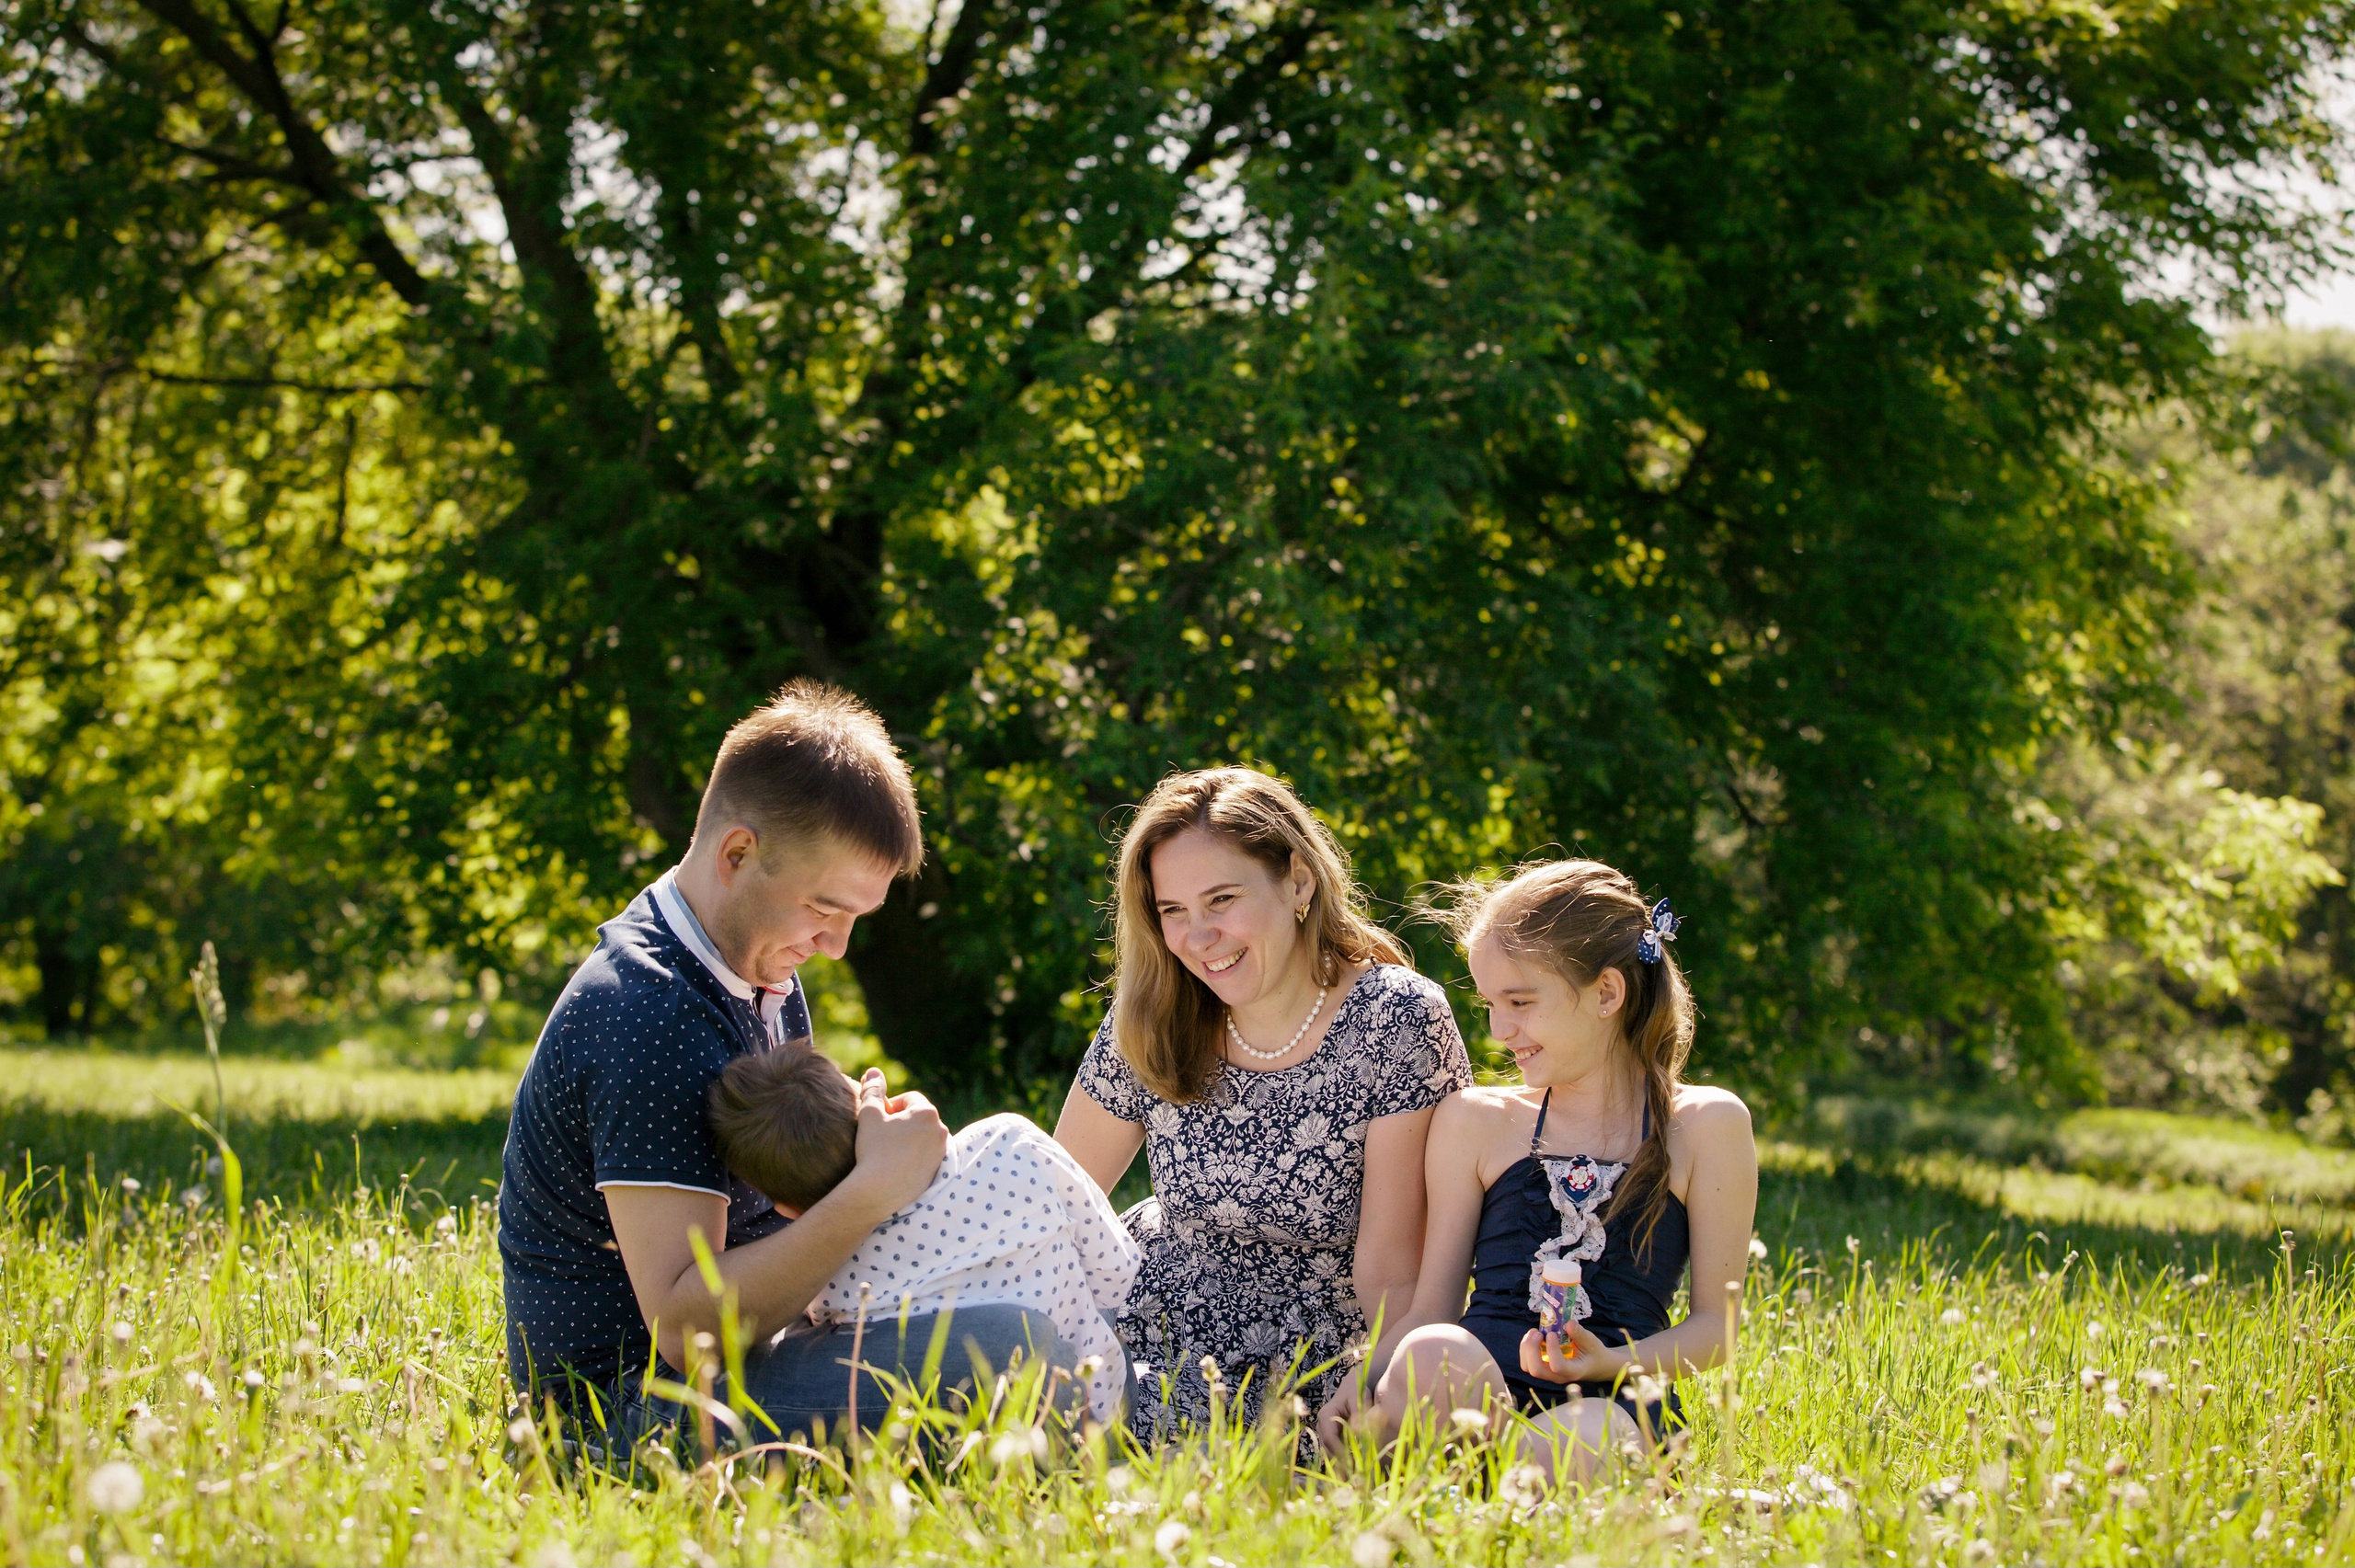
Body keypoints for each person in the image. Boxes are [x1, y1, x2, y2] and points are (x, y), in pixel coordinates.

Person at [498, 680, 1078, 1451]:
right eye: (824, 908)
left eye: (852, 919)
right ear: (738, 852)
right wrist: (872, 1190)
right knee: (1014, 1346)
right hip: (630, 1412)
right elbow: (685, 1333)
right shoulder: (649, 1014)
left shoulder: (754, 968)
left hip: (770, 1342)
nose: (835, 945)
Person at [1053, 767, 1473, 1440]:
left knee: (1103, 1436)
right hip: (1147, 1310)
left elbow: (1393, 1269)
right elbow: (1054, 1197)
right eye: (1173, 912)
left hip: (1308, 1355)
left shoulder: (1395, 1018)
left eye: (1221, 899)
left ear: (1299, 880)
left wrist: (1377, 1393)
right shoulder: (1153, 1012)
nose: (1197, 936)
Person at [1314, 859, 1759, 1481]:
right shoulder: (1477, 1119)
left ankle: (1473, 1488)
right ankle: (1489, 1484)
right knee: (1431, 1353)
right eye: (1491, 1003)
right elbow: (1434, 1305)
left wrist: (1608, 1362)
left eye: (1521, 1001)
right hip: (1480, 1387)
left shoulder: (1705, 1124)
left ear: (1607, 993)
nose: (1500, 1029)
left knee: (1582, 1437)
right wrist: (1363, 1378)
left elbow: (1717, 1328)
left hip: (1613, 1399)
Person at [706, 1048, 1139, 1421]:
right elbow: (1118, 1267)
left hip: (995, 1430)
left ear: (788, 1210)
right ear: (881, 1106)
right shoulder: (1011, 1141)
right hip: (1109, 1398)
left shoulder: (829, 1277)